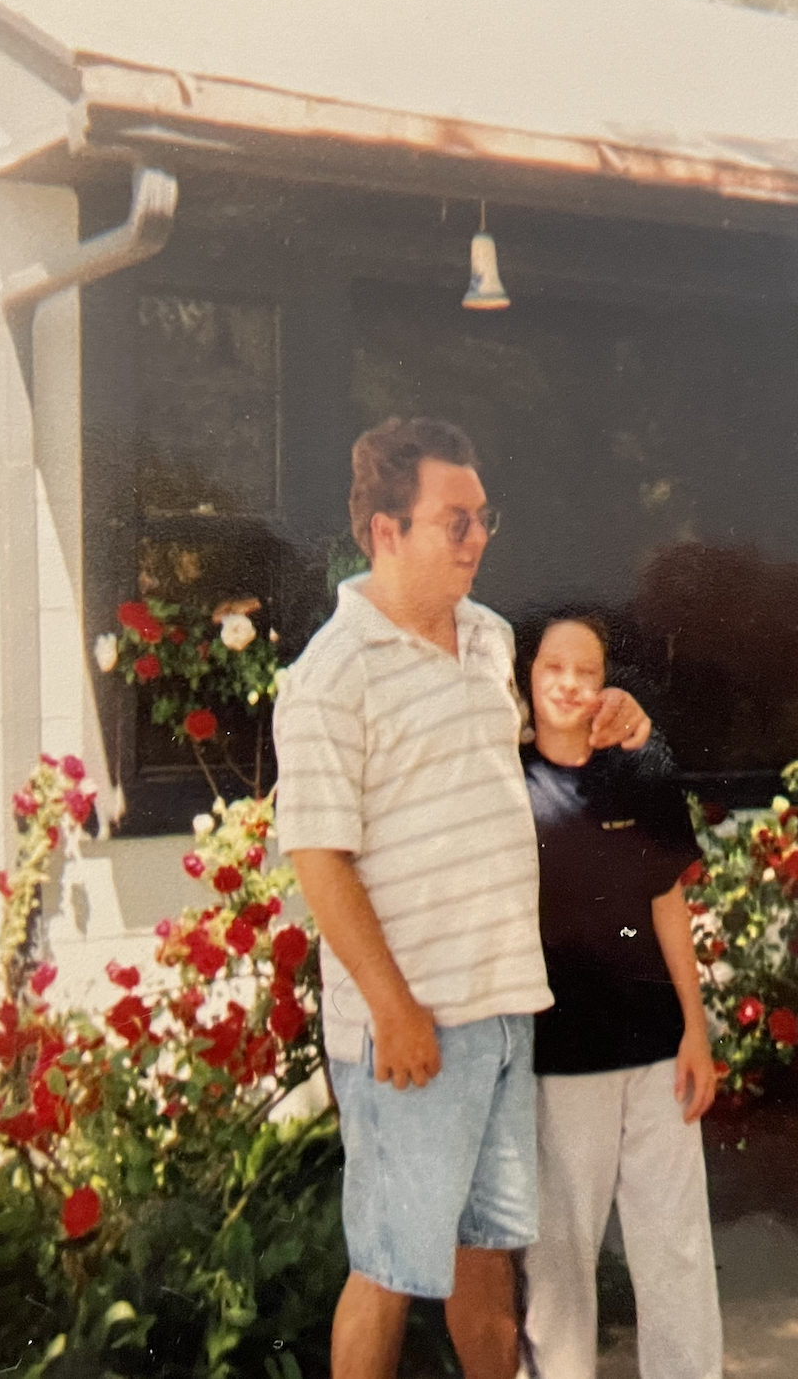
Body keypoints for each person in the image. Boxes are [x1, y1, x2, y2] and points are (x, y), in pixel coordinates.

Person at [275, 419, 652, 1379]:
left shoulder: (489, 639)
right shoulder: (330, 677)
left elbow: (499, 776)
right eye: (454, 521)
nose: (478, 538)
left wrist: (607, 719)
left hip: (500, 1011)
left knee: (487, 1261)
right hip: (409, 1028)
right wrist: (396, 1010)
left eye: (483, 518)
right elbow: (320, 861)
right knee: (389, 1271)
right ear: (384, 533)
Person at [517, 614, 722, 1379]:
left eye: (587, 671)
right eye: (553, 669)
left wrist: (696, 1032)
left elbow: (667, 901)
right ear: (528, 678)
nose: (570, 684)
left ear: (606, 684)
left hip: (655, 1052)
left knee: (676, 1245)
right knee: (560, 1256)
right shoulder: (509, 783)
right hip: (559, 1059)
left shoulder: (639, 773)